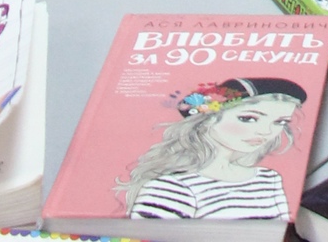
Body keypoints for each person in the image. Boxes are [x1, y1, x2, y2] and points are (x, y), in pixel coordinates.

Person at [126, 77, 307, 222]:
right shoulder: (171, 187)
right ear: (208, 119)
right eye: (248, 118)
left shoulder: (268, 179)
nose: (266, 131)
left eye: (280, 122)